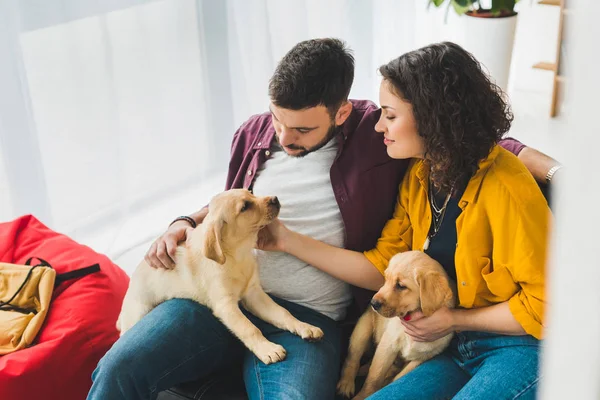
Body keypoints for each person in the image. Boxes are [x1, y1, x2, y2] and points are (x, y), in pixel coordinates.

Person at [88, 39, 555, 400]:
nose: (284, 136)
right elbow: (227, 204)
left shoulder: (386, 147)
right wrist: (181, 221)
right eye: (277, 121)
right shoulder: (415, 175)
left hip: (484, 338)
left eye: (303, 128)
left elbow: (493, 148)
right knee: (117, 366)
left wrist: (560, 172)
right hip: (218, 295)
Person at [258, 42, 550, 399]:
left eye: (390, 115)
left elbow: (547, 305)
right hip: (446, 345)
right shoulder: (420, 176)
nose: (380, 126)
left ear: (433, 118)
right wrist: (286, 240)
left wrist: (455, 320)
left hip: (518, 347)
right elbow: (381, 263)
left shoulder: (508, 189)